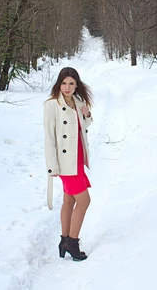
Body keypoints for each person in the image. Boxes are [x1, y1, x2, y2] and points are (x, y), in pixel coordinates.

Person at [43, 67, 93, 261]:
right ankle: (72, 242)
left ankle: (64, 240)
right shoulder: (51, 105)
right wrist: (52, 165)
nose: (67, 87)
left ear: (76, 85)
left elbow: (82, 128)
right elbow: (49, 137)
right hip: (64, 163)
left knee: (70, 200)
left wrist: (87, 115)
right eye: (64, 83)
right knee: (84, 201)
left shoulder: (78, 102)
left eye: (71, 83)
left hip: (77, 159)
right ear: (58, 84)